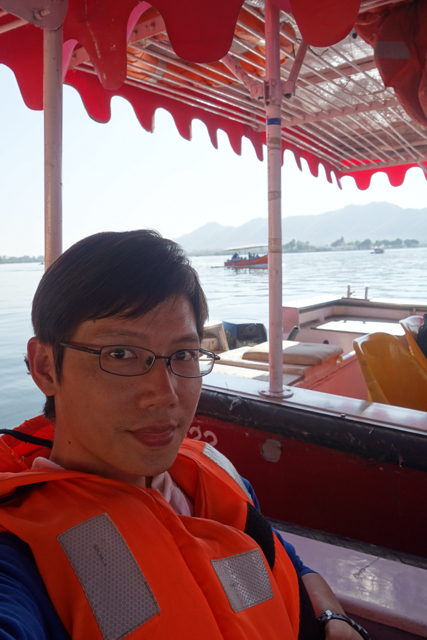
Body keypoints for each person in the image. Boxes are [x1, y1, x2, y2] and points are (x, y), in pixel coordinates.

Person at [0, 230, 368, 640]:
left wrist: (334, 619)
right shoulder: (19, 552)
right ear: (46, 367)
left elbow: (287, 562)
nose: (165, 393)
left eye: (183, 355)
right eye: (120, 354)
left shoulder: (213, 479)